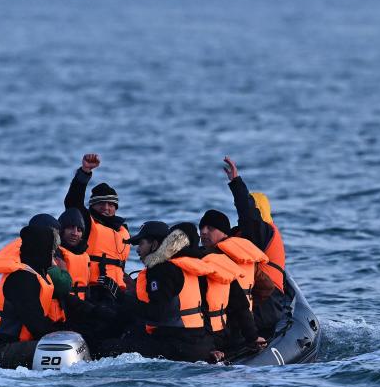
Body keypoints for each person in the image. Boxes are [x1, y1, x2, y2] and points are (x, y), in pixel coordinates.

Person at [96, 221, 217, 363]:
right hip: (197, 342)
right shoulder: (185, 265)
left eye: (141, 244)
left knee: (106, 348)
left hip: (176, 346)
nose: (138, 250)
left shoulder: (160, 269)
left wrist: (119, 295)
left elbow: (158, 314)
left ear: (154, 244)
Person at [0, 225, 68, 369]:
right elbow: (36, 325)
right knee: (62, 348)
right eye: (51, 252)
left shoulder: (37, 273)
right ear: (41, 251)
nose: (53, 259)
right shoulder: (22, 279)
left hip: (14, 344)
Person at [222, 156, 289, 337]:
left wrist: (236, 183)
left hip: (267, 303)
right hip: (259, 299)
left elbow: (247, 214)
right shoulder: (253, 235)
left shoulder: (262, 231)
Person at [199, 209, 268, 355]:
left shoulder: (211, 258)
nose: (203, 232)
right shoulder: (247, 256)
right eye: (201, 228)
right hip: (246, 327)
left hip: (222, 332)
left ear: (224, 232)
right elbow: (267, 287)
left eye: (210, 228)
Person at [64, 153, 131, 290]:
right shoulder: (86, 222)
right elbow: (73, 201)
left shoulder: (122, 230)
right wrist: (85, 172)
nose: (106, 208)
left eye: (110, 204)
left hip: (117, 290)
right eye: (101, 203)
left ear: (115, 208)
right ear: (92, 206)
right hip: (92, 289)